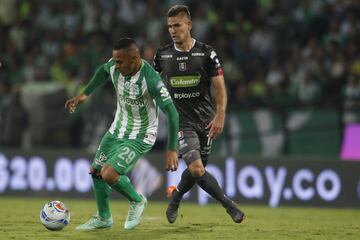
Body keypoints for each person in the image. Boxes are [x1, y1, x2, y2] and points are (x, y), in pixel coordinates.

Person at [65, 38, 179, 230]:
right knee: (96, 172)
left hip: (141, 135)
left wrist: (172, 149)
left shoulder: (151, 80)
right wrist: (83, 96)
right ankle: (104, 218)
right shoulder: (113, 66)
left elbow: (172, 113)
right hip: (116, 130)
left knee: (109, 173)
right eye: (114, 61)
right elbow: (102, 72)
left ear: (135, 58)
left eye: (120, 62)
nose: (116, 66)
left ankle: (137, 200)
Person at [153, 5, 245, 224]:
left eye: (177, 25)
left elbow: (220, 88)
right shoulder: (162, 55)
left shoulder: (206, 53)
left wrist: (220, 115)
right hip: (181, 122)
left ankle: (175, 197)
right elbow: (150, 84)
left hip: (206, 121)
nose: (173, 30)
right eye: (169, 27)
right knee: (196, 169)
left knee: (198, 169)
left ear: (189, 25)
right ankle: (229, 206)